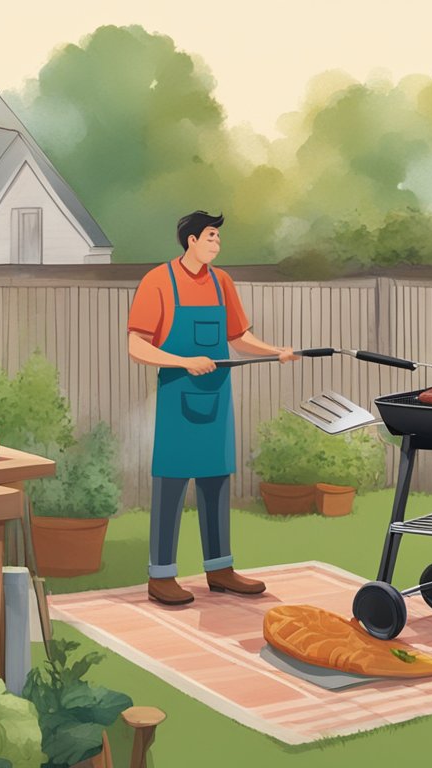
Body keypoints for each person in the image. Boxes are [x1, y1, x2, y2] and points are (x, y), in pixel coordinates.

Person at [127, 211, 301, 605]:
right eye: (210, 236)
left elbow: (238, 337)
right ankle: (161, 575)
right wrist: (183, 361)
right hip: (177, 396)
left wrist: (276, 352)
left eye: (218, 237)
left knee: (215, 481)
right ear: (190, 240)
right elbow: (136, 345)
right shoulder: (159, 281)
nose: (217, 243)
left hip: (217, 397)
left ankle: (220, 569)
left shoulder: (221, 282)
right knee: (170, 484)